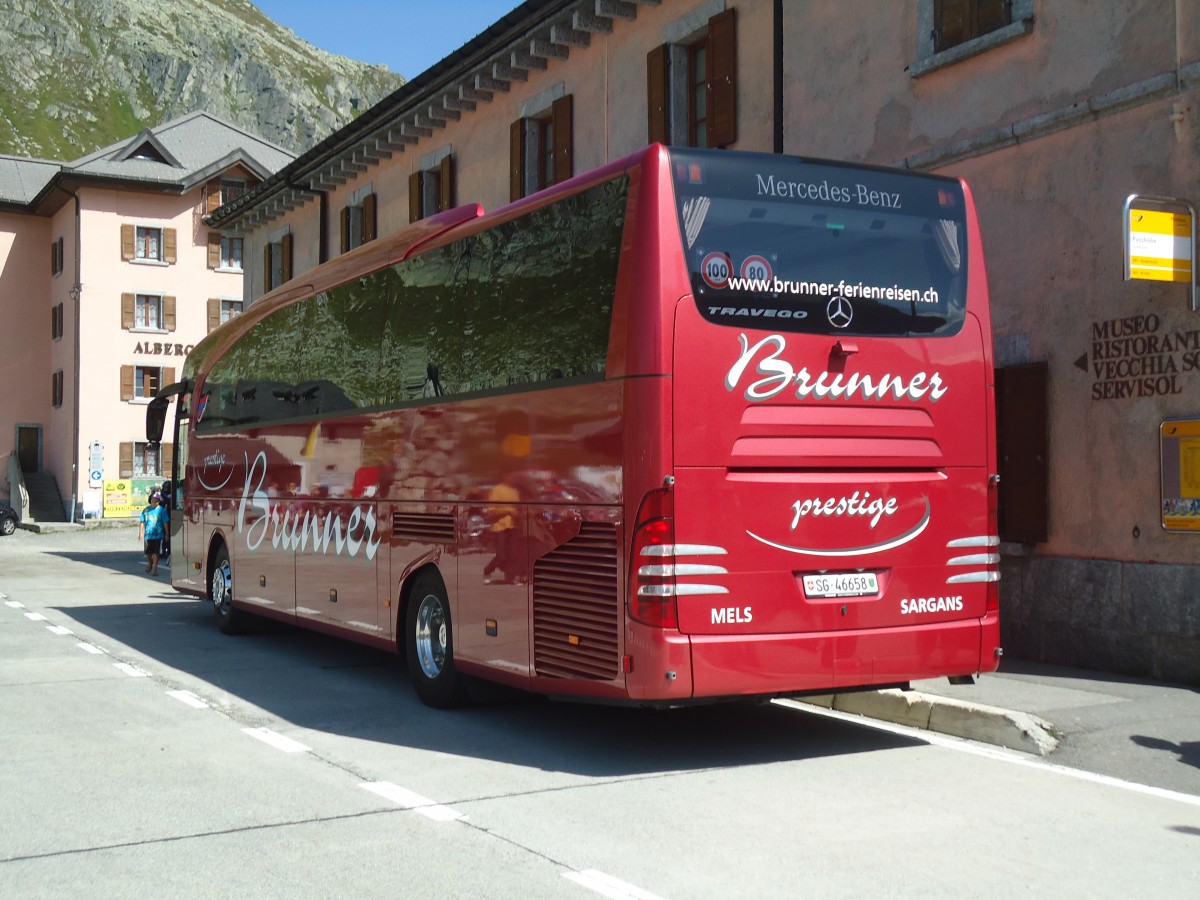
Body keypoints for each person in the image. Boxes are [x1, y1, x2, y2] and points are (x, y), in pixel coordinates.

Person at [139, 493, 167, 576]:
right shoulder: (146, 510)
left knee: (156, 552)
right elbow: (142, 522)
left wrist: (167, 534)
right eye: (153, 501)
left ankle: (155, 569)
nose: (154, 503)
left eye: (156, 501)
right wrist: (140, 533)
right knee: (147, 552)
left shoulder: (161, 510)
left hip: (158, 535)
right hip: (148, 535)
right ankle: (150, 562)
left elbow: (165, 522)